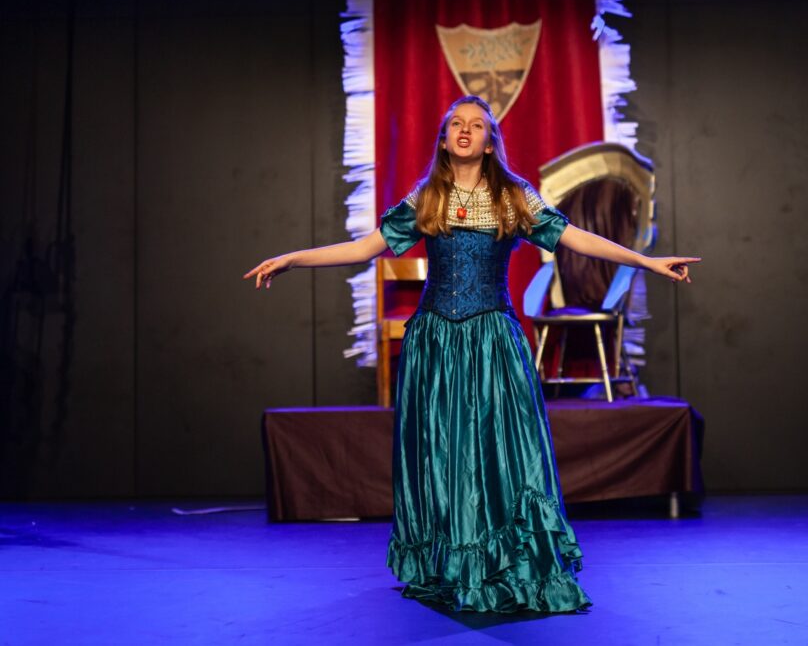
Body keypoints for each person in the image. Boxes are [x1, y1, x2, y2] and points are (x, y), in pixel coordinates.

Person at [245, 96, 700, 613]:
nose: (465, 130)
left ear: (489, 142)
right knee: (443, 457)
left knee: (499, 452)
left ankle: (508, 564)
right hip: (435, 346)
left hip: (491, 343)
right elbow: (363, 249)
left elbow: (577, 239)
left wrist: (646, 262)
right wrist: (292, 259)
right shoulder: (428, 198)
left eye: (477, 125)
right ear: (444, 140)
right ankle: (453, 564)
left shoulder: (513, 197)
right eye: (456, 124)